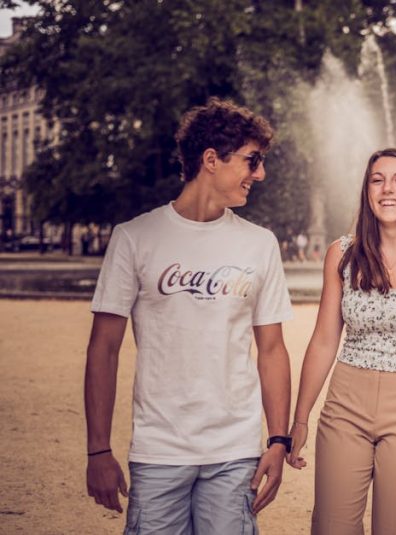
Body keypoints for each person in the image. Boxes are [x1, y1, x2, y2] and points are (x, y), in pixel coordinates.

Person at [84, 98, 294, 533]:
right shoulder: (135, 238)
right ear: (211, 160)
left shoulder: (260, 244)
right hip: (159, 450)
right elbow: (103, 349)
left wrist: (277, 440)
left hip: (235, 450)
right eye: (252, 161)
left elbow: (271, 350)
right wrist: (98, 450)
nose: (260, 174)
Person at [287, 148, 396, 534]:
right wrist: (300, 418)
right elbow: (322, 341)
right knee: (332, 527)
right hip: (345, 405)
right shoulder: (343, 253)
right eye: (377, 179)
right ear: (367, 191)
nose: (388, 189)